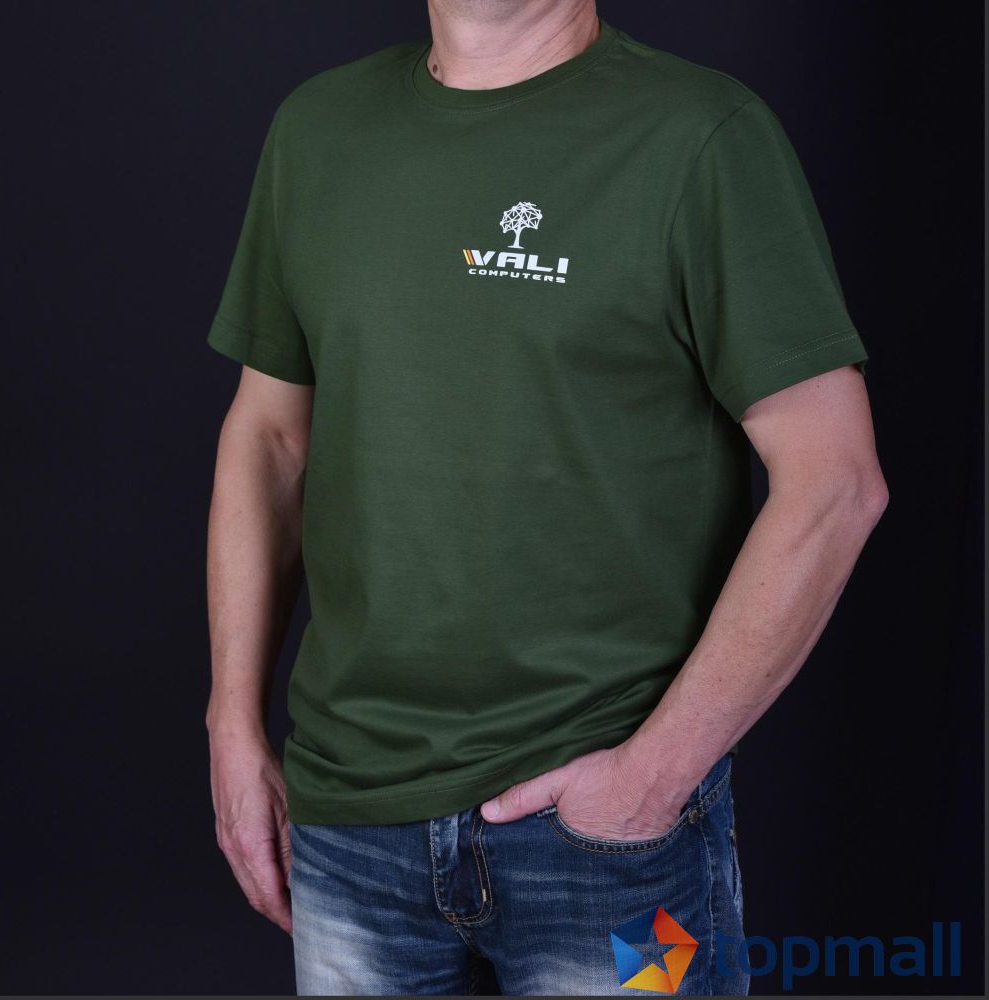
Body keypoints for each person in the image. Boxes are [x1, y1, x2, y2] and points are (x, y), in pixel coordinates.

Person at [204, 0, 888, 994]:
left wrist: (653, 778)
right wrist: (231, 722)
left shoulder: (701, 137)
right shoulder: (317, 129)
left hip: (605, 840)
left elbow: (835, 481)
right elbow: (268, 438)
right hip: (352, 825)